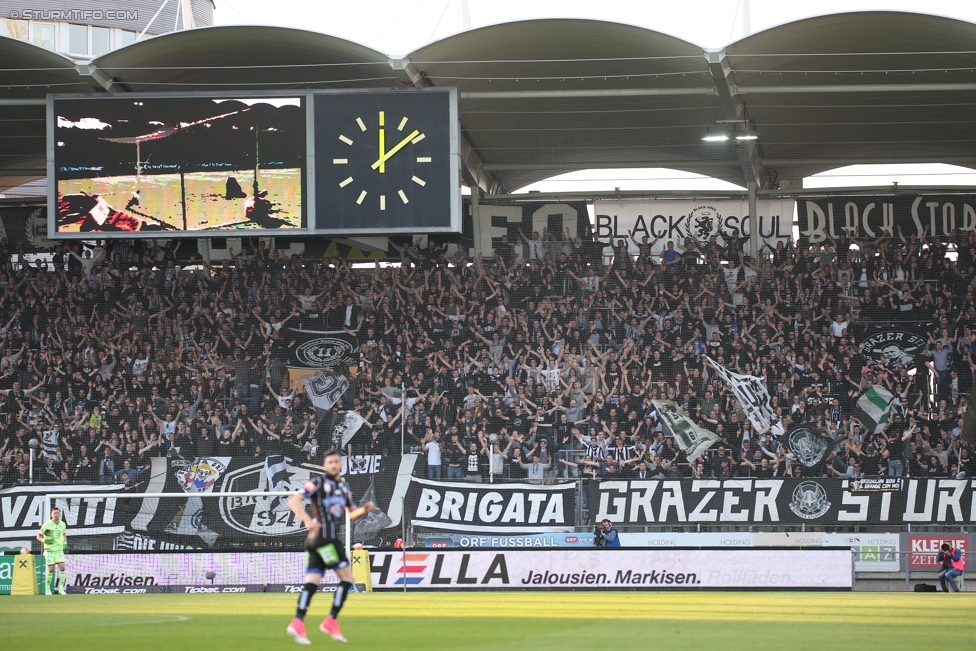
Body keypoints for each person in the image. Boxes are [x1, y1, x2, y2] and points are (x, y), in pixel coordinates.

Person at [286, 449, 375, 645]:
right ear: (325, 465)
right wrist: (308, 520)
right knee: (347, 579)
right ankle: (331, 620)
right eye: (330, 462)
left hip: (319, 541)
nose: (334, 465)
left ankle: (298, 621)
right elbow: (294, 500)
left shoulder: (343, 487)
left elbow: (351, 514)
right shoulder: (317, 482)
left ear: (341, 464)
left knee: (312, 581)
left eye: (336, 461)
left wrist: (364, 509)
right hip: (325, 539)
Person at [36, 506, 67, 595]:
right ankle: (47, 589)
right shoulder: (46, 525)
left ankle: (61, 589)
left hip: (59, 550)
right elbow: (38, 536)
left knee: (62, 567)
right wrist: (43, 540)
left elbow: (64, 534)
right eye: (54, 513)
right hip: (49, 550)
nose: (56, 515)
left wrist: (65, 542)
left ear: (60, 514)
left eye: (57, 513)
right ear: (51, 515)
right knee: (50, 569)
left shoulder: (63, 524)